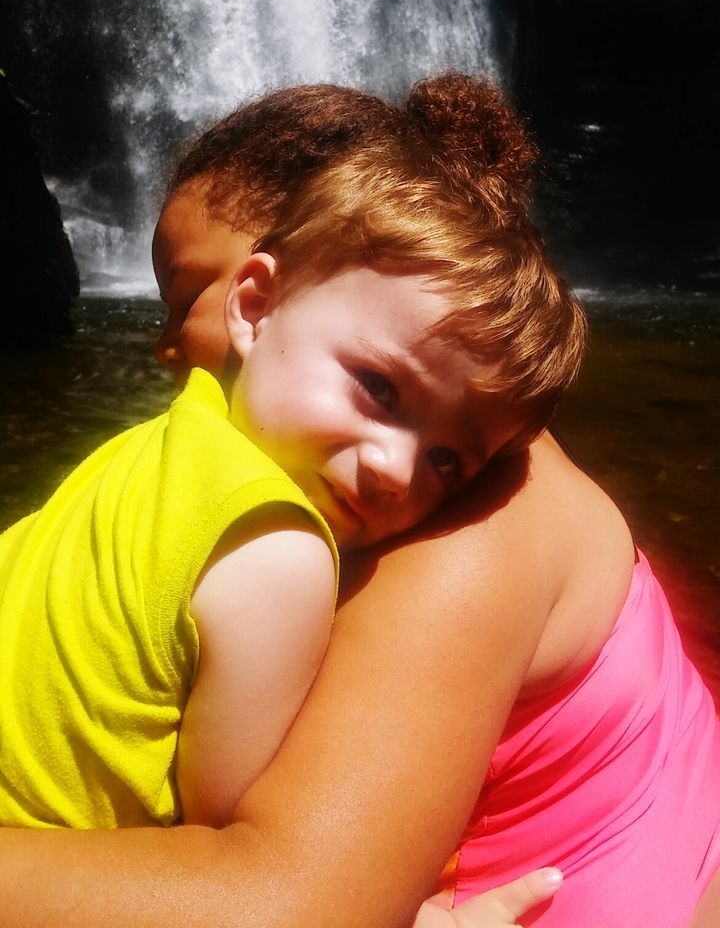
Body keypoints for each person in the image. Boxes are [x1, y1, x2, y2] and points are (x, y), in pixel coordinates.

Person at [0, 76, 717, 928]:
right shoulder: (214, 476)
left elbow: (281, 904)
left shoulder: (480, 530)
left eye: (184, 292)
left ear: (267, 288)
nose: (164, 346)